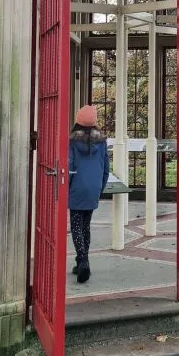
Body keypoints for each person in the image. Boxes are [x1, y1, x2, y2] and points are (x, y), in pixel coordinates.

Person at [68, 105, 110, 284]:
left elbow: (69, 166)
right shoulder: (102, 141)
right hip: (94, 187)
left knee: (76, 225)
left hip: (77, 186)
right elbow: (106, 168)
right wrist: (100, 188)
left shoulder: (71, 141)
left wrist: (66, 189)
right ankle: (82, 261)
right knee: (86, 225)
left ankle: (82, 260)